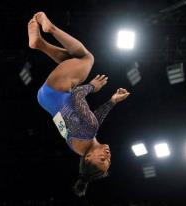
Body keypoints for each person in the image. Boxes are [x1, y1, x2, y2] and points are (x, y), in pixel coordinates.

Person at [28, 12, 130, 196]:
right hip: (46, 100)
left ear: (89, 158)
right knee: (71, 61)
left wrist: (92, 86)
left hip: (58, 90)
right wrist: (112, 102)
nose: (108, 156)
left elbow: (76, 97)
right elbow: (89, 118)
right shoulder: (79, 148)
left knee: (86, 58)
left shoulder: (89, 130)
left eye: (102, 160)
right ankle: (39, 44)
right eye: (109, 160)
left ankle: (50, 29)